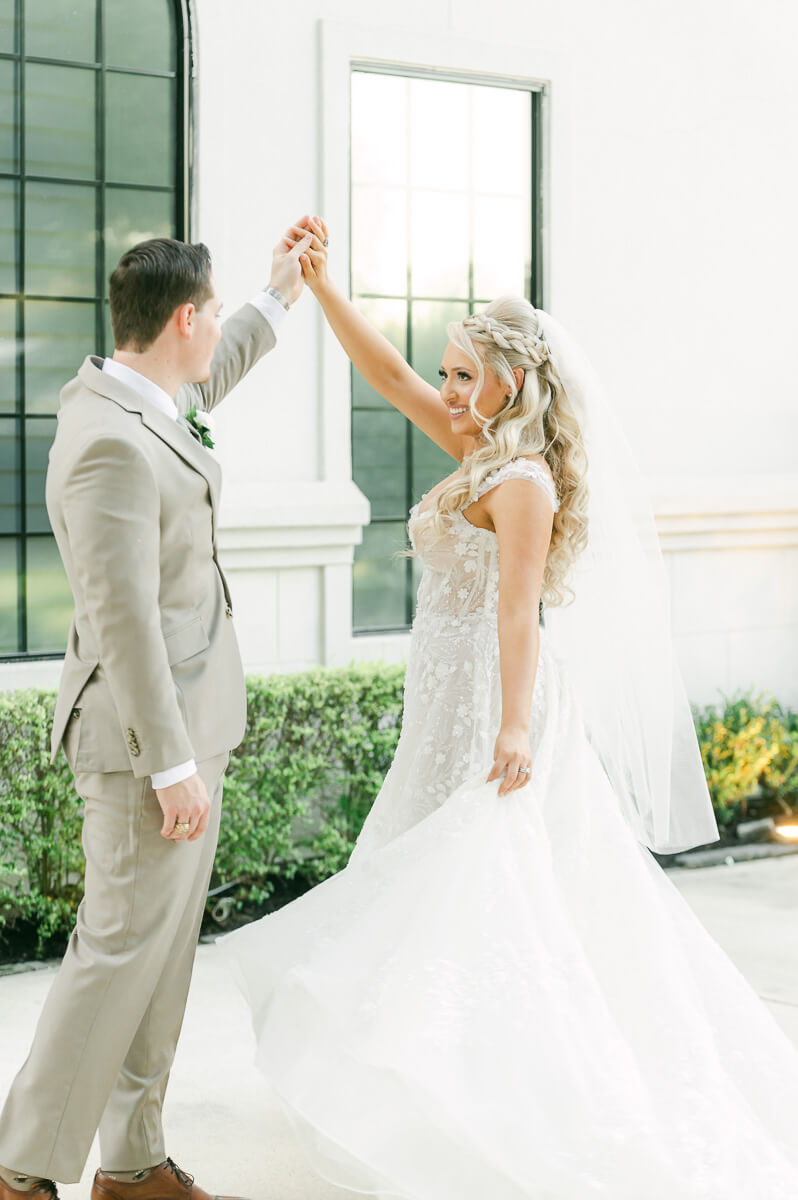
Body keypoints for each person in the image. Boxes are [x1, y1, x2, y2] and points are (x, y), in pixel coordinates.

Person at [219, 216, 798, 1199]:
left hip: (497, 701)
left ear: (513, 384)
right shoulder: (475, 444)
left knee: (493, 893)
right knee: (437, 884)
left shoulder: (522, 480)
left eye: (463, 376)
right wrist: (318, 290)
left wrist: (515, 728)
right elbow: (393, 377)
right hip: (446, 695)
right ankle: (437, 1074)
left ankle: (513, 1096)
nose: (444, 390)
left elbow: (519, 617)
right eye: (449, 373)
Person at [0, 224, 313, 1200]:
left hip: (191, 726)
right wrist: (169, 764)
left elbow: (214, 379)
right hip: (146, 746)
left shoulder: (153, 402)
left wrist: (277, 295)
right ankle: (20, 1168)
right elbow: (122, 620)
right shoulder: (105, 442)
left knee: (162, 959)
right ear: (184, 318)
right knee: (117, 953)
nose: (216, 329)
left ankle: (132, 1165)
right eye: (214, 312)